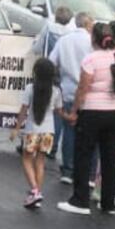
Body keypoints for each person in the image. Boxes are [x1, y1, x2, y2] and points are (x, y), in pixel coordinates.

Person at [58, 22, 115, 216]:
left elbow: (83, 88)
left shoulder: (90, 59)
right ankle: (108, 202)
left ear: (93, 39)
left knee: (83, 155)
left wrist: (74, 111)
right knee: (110, 158)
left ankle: (80, 200)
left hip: (91, 112)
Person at [48, 13, 95, 184]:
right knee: (89, 134)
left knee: (69, 132)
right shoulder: (92, 42)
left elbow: (52, 61)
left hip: (67, 90)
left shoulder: (64, 40)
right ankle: (89, 172)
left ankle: (68, 169)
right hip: (89, 92)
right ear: (88, 24)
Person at [12, 58, 65, 209]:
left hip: (32, 130)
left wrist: (16, 128)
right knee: (40, 162)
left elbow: (23, 110)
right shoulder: (56, 91)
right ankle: (36, 193)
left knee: (27, 160)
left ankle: (34, 191)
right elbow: (59, 111)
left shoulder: (30, 88)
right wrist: (70, 117)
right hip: (49, 132)